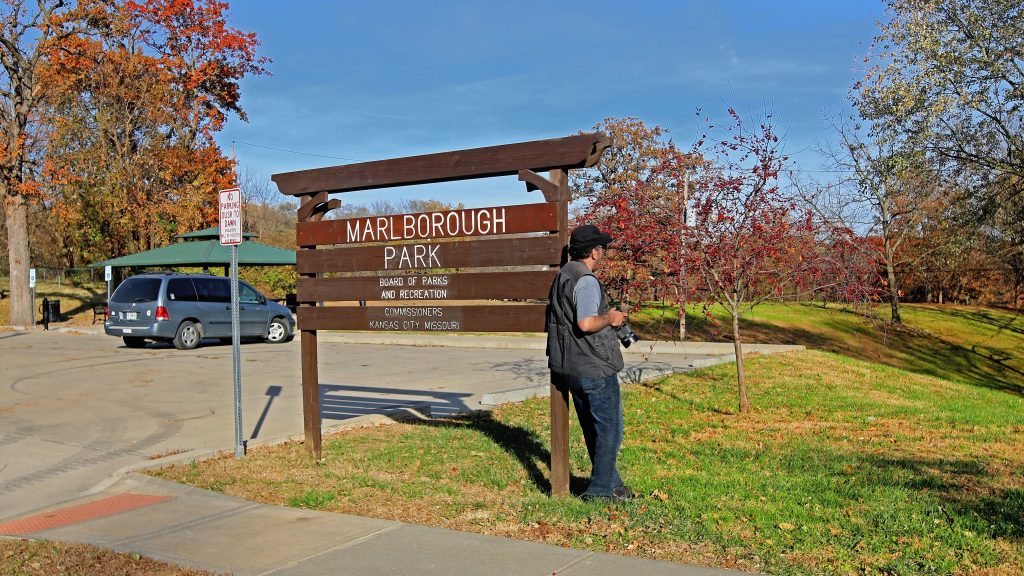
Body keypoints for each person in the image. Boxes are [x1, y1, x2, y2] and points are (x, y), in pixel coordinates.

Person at [546, 224, 633, 501]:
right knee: (610, 433)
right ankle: (598, 492)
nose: (604, 252)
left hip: (571, 366)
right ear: (594, 252)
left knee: (596, 430)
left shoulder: (564, 275)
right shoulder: (586, 280)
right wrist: (611, 318)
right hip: (594, 368)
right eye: (602, 248)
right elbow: (585, 323)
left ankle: (613, 487)